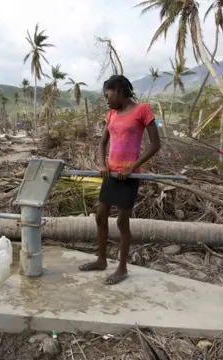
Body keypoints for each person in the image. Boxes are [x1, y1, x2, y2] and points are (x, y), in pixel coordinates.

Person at [79, 75, 161, 285]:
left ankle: (122, 268)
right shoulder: (112, 114)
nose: (107, 100)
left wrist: (131, 167)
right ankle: (101, 260)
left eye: (108, 95)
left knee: (122, 221)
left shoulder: (143, 109)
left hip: (130, 175)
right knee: (100, 216)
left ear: (118, 90)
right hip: (111, 174)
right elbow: (102, 143)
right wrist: (101, 164)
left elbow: (155, 145)